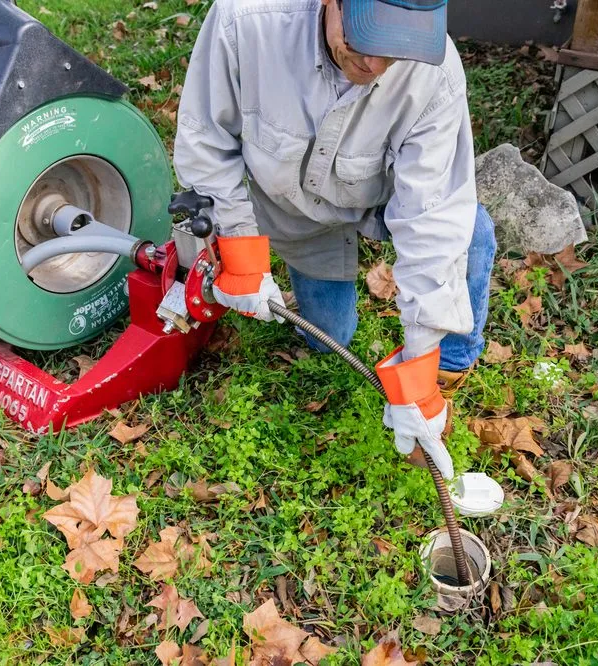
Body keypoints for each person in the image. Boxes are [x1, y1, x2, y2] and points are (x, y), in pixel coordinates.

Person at [173, 0, 496, 479]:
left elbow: (432, 218)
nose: (375, 66)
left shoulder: (436, 74)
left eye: (397, 50)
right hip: (294, 212)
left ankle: (451, 362)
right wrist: (241, 257)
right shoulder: (245, 21)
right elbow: (205, 142)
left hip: (380, 201)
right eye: (365, 40)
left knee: (472, 229)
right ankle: (318, 291)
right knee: (331, 340)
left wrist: (419, 378)